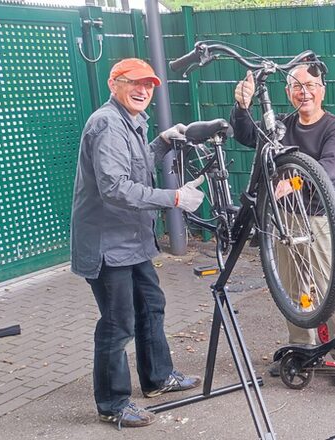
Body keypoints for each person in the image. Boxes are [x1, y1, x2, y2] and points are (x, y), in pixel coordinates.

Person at [71, 58, 204, 428]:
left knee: (151, 305)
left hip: (131, 240)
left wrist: (161, 143)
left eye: (148, 84)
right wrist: (173, 198)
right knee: (118, 322)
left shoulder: (129, 122)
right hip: (106, 243)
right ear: (114, 84)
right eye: (134, 83)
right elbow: (114, 187)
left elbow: (135, 163)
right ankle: (113, 403)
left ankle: (158, 378)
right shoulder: (106, 123)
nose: (143, 90)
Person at [229, 61, 335, 386]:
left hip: (321, 217)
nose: (305, 92)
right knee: (292, 286)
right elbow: (246, 136)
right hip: (286, 218)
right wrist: (241, 106)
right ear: (288, 93)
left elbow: (328, 168)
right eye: (297, 86)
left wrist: (294, 181)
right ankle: (302, 349)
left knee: (332, 286)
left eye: (310, 85)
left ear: (322, 90)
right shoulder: (281, 125)